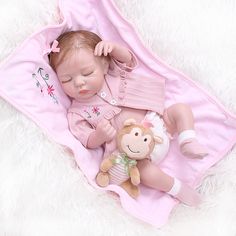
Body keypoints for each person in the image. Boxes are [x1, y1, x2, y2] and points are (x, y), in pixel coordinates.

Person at [49, 30, 208, 205]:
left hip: (158, 124)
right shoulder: (77, 112)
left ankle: (188, 140)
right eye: (66, 79)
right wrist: (99, 136)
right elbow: (86, 139)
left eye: (87, 73)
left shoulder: (112, 74)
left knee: (181, 109)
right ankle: (178, 189)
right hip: (135, 153)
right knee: (146, 174)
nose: (79, 82)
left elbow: (128, 60)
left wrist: (114, 48)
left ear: (103, 65)